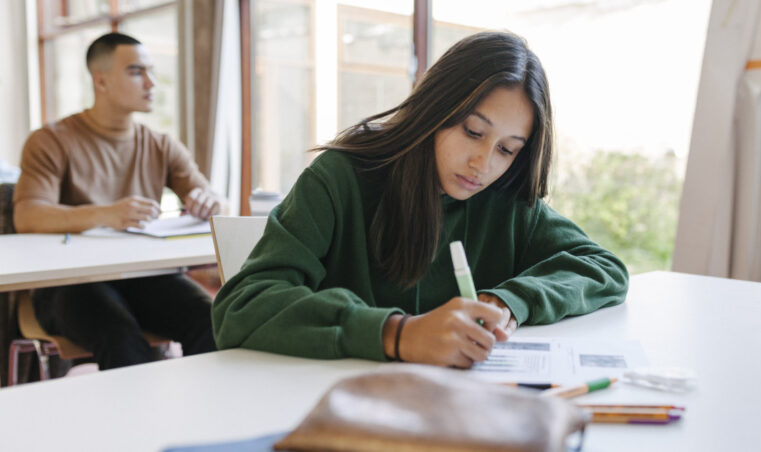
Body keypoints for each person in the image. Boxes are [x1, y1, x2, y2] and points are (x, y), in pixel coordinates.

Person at [212, 32, 629, 368]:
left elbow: (604, 268)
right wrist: (397, 333)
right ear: (435, 109)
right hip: (337, 407)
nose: (483, 164)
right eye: (472, 131)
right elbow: (241, 307)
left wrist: (509, 301)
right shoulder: (341, 178)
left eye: (507, 149)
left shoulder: (508, 201)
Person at [13, 33, 220, 370]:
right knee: (120, 336)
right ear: (101, 81)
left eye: (150, 71)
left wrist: (208, 200)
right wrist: (106, 214)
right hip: (68, 283)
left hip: (145, 276)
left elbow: (211, 197)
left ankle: (214, 420)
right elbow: (28, 214)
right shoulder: (50, 141)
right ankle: (137, 424)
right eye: (137, 72)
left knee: (216, 321)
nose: (152, 82)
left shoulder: (161, 144)